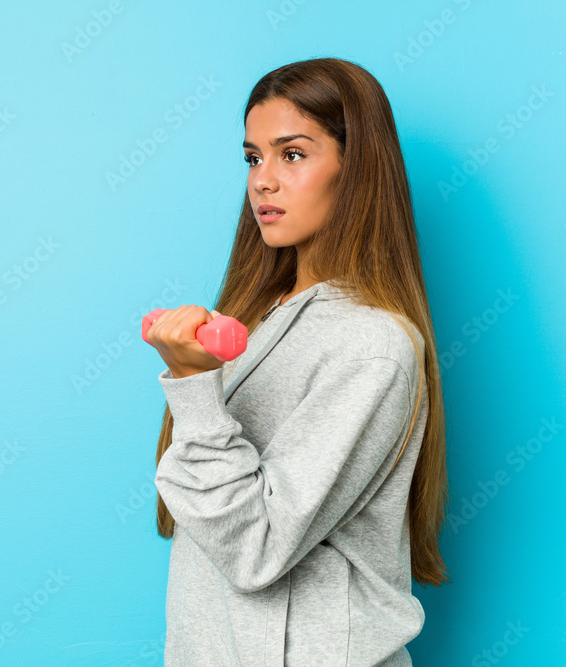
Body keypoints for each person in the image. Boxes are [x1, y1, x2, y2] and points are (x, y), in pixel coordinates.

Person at [144, 57, 449, 666]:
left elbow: (254, 548)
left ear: (356, 169)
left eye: (292, 154)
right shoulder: (261, 315)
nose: (263, 181)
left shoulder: (372, 345)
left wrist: (194, 384)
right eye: (253, 158)